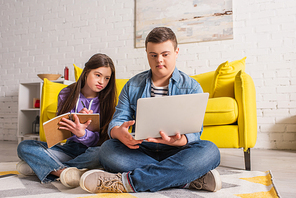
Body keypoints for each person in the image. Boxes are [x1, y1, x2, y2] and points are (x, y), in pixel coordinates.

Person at [79, 27, 221, 193]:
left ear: (176, 52)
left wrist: (180, 141)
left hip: (177, 152)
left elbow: (195, 134)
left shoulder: (191, 86)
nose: (159, 60)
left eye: (165, 54)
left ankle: (127, 182)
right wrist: (120, 133)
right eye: (153, 55)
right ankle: (186, 179)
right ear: (147, 53)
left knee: (210, 151)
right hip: (141, 150)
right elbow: (117, 121)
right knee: (108, 150)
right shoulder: (132, 85)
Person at [16, 53, 117, 188]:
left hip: (91, 151)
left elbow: (104, 140)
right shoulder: (66, 94)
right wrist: (75, 119)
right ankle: (65, 172)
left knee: (104, 153)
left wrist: (83, 134)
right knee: (24, 146)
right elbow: (59, 129)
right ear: (86, 72)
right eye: (97, 75)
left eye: (106, 78)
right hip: (68, 150)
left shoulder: (108, 102)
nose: (102, 82)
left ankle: (45, 167)